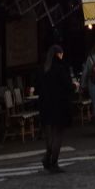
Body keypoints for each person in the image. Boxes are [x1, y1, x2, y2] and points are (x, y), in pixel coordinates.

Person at [36, 43, 74, 173]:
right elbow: (67, 85)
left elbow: (37, 87)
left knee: (49, 134)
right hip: (59, 104)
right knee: (58, 134)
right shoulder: (61, 68)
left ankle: (47, 158)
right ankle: (53, 162)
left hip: (45, 105)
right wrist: (74, 86)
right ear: (59, 54)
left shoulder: (43, 68)